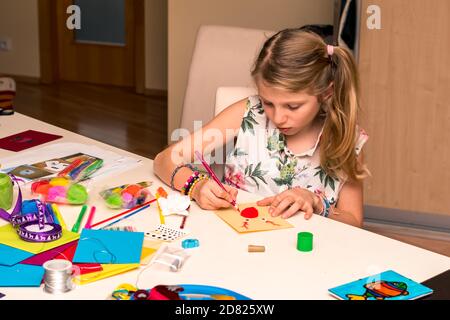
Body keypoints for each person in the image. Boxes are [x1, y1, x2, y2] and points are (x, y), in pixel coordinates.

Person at [154, 28, 369, 228]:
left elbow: (353, 220)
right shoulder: (248, 113)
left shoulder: (346, 139)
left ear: (326, 93)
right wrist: (196, 185)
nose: (278, 117)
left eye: (292, 106)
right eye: (268, 102)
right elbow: (164, 159)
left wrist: (316, 202)